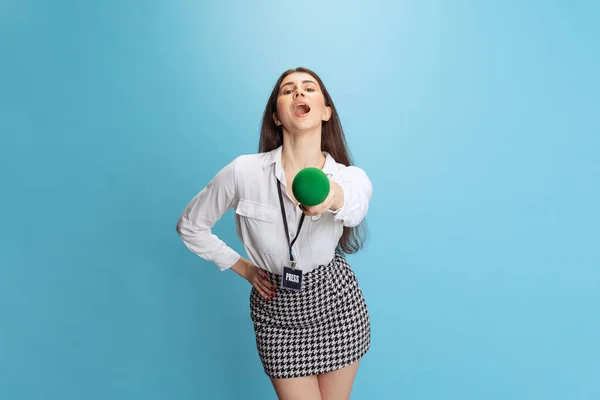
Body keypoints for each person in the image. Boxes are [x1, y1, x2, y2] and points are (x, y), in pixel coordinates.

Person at [176, 67, 372, 400]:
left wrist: (329, 197)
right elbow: (191, 226)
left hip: (335, 304)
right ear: (277, 117)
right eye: (288, 90)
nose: (299, 93)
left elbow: (355, 204)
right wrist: (242, 266)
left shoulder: (348, 176)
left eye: (309, 88)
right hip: (277, 314)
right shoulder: (243, 172)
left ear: (325, 112)